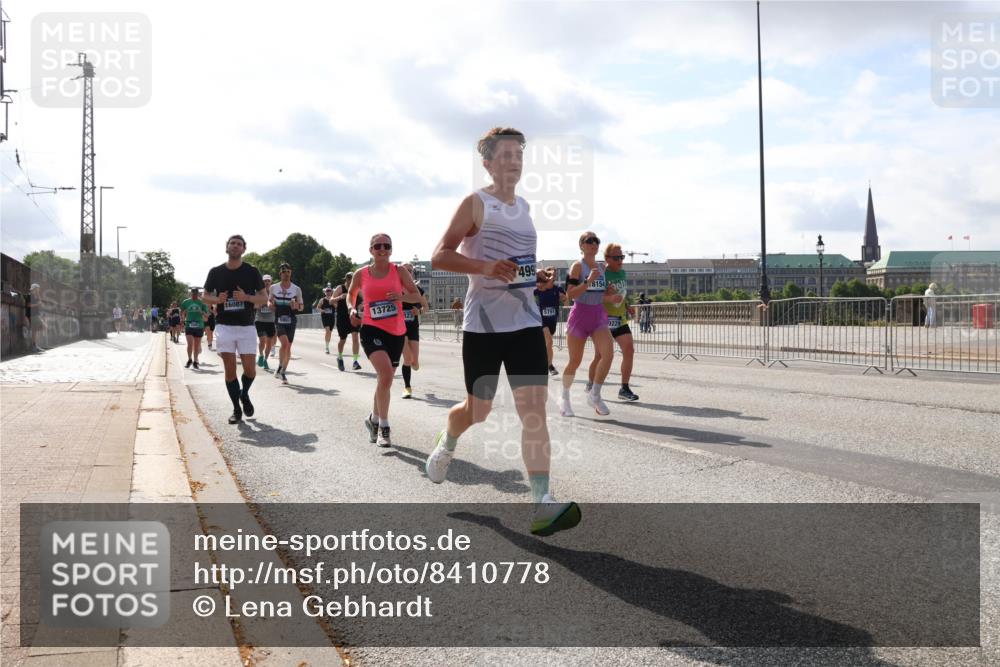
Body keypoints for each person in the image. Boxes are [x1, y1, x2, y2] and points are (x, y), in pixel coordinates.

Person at [424, 126, 581, 537]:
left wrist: (534, 275)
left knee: (534, 411)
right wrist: (485, 267)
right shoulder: (475, 203)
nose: (514, 161)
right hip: (484, 325)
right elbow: (439, 256)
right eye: (506, 155)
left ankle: (542, 502)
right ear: (488, 163)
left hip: (525, 322)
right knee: (479, 411)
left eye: (519, 155)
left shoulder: (524, 207)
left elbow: (516, 263)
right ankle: (448, 440)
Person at [347, 234, 421, 446]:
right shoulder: (361, 273)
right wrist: (352, 308)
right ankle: (384, 428)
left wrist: (401, 297)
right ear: (371, 250)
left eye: (386, 246)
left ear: (391, 250)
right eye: (377, 246)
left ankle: (373, 419)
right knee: (386, 375)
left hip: (396, 332)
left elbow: (416, 296)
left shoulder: (399, 271)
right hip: (371, 329)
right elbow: (351, 294)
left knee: (384, 381)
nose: (382, 249)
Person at [201, 234, 268, 424]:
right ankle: (236, 409)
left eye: (239, 244)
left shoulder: (252, 271)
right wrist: (217, 300)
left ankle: (244, 394)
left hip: (246, 326)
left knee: (250, 371)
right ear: (227, 247)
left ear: (244, 249)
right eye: (232, 243)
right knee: (230, 370)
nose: (235, 246)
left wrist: (246, 298)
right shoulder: (216, 272)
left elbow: (264, 298)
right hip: (224, 326)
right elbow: (205, 296)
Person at [558, 231, 619, 417]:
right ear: (581, 245)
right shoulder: (578, 266)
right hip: (580, 316)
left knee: (608, 354)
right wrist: (588, 281)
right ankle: (564, 397)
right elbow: (570, 294)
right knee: (574, 361)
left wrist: (609, 294)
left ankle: (595, 394)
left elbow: (598, 295)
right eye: (589, 240)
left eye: (596, 240)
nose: (594, 243)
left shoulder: (601, 267)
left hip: (598, 315)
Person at [587, 243, 639, 401]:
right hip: (602, 321)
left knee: (629, 350)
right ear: (607, 259)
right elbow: (592, 297)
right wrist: (608, 296)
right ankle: (591, 384)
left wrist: (627, 305)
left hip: (620, 320)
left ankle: (624, 388)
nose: (620, 261)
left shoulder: (622, 273)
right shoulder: (601, 273)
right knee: (600, 356)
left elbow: (621, 294)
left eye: (622, 257)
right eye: (616, 258)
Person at [400, 263, 430, 399]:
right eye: (405, 270)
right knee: (407, 358)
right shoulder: (395, 288)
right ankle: (407, 387)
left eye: (410, 271)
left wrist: (419, 311)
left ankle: (414, 363)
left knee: (415, 362)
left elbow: (426, 307)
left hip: (413, 327)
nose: (408, 273)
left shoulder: (418, 290)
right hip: (399, 328)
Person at [271, 263, 303, 385]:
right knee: (284, 343)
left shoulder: (296, 289)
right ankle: (280, 369)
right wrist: (270, 305)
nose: (286, 274)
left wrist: (296, 306)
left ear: (291, 273)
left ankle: (282, 371)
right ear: (280, 274)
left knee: (288, 347)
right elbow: (269, 301)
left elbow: (301, 307)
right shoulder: (274, 287)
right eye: (284, 272)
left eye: (288, 271)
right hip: (279, 319)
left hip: (291, 319)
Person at [534, 268, 566, 375]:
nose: (554, 277)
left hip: (552, 320)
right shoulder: (539, 289)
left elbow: (565, 299)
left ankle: (547, 364)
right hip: (541, 320)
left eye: (555, 275)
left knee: (548, 344)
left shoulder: (558, 289)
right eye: (552, 275)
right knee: (549, 341)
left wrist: (564, 298)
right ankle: (550, 367)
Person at [332, 272, 362, 371]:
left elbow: (366, 299)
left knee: (355, 338)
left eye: (352, 278)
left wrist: (362, 305)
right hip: (342, 317)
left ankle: (355, 361)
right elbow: (331, 300)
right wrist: (340, 297)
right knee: (343, 339)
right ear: (345, 279)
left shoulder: (357, 288)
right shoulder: (340, 288)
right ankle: (340, 357)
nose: (350, 280)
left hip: (353, 316)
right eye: (348, 278)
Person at [181, 287, 210, 368]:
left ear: (198, 294)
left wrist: (201, 312)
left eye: (196, 294)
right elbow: (182, 311)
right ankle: (189, 359)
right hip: (189, 324)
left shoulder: (202, 303)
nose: (194, 295)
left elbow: (207, 315)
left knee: (196, 345)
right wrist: (182, 319)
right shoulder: (186, 302)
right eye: (193, 294)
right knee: (190, 344)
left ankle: (195, 361)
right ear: (191, 293)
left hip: (199, 325)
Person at [255, 274, 276, 369]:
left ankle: (265, 360)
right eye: (265, 281)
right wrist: (260, 304)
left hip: (271, 320)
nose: (267, 283)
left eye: (268, 281)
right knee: (262, 340)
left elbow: (277, 306)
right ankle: (261, 355)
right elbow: (254, 305)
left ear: (271, 282)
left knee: (269, 342)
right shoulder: (258, 292)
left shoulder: (275, 293)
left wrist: (273, 304)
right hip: (260, 319)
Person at [315, 284, 337, 354]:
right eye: (327, 291)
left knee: (330, 332)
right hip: (325, 317)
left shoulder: (334, 299)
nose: (328, 292)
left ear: (331, 292)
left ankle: (327, 345)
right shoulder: (322, 300)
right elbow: (317, 307)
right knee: (327, 330)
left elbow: (337, 307)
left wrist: (332, 302)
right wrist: (322, 310)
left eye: (329, 291)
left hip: (331, 317)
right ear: (325, 292)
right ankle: (327, 347)